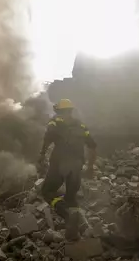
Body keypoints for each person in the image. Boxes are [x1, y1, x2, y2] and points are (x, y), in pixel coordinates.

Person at [39, 98, 97, 241]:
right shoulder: (81, 126)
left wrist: (41, 157)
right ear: (71, 111)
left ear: (58, 111)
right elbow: (93, 146)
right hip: (77, 166)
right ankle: (80, 230)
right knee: (72, 198)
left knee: (47, 191)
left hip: (60, 164)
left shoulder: (55, 123)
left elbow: (46, 141)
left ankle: (66, 214)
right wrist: (90, 167)